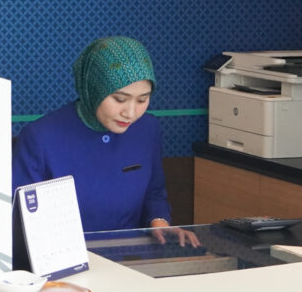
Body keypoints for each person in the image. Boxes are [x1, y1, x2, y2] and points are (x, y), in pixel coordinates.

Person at [12, 36, 198, 246]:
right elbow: (22, 220)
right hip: (63, 257)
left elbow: (153, 194)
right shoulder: (40, 137)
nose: (130, 113)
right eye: (120, 99)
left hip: (129, 256)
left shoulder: (148, 129)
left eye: (142, 99)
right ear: (93, 89)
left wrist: (159, 222)